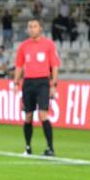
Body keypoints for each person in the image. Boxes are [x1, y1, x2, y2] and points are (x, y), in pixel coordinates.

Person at [14, 18, 60, 156]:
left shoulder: (49, 45)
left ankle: (50, 148)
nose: (32, 29)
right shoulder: (23, 46)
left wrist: (54, 84)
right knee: (28, 116)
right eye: (30, 27)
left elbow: (55, 65)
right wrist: (16, 82)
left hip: (43, 82)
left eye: (34, 26)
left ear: (40, 28)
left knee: (43, 115)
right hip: (28, 82)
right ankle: (28, 147)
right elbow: (19, 65)